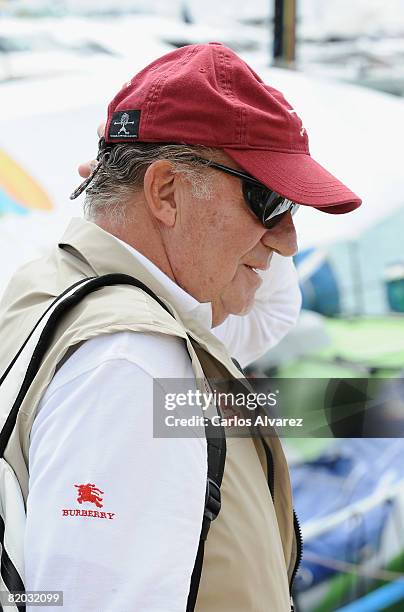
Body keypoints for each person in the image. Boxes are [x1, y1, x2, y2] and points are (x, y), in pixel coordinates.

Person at [0, 43, 361, 612]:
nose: (290, 239)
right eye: (268, 199)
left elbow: (267, 313)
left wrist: (127, 188)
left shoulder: (58, 283)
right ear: (165, 192)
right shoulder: (134, 361)